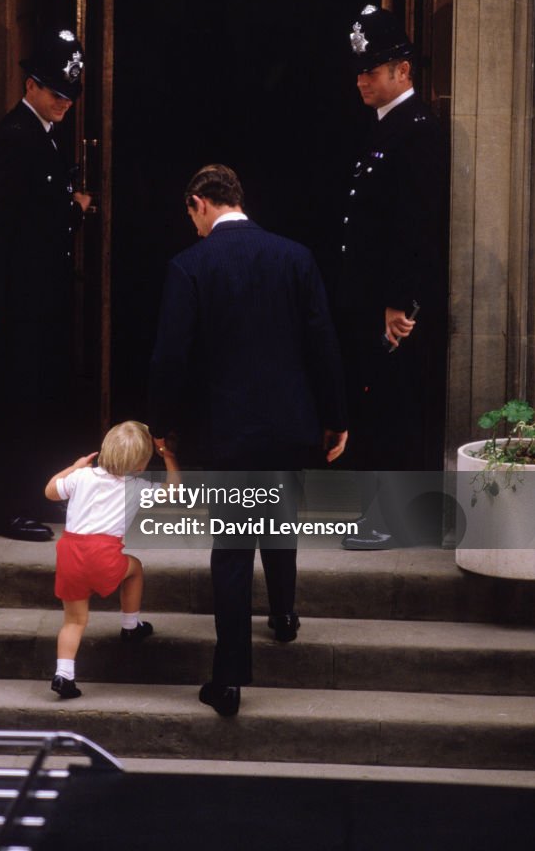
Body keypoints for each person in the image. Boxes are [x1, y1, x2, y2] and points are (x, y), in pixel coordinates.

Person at [148, 164, 348, 716]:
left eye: (189, 214)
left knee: (233, 550)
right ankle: (283, 616)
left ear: (199, 203)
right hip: (290, 425)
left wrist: (161, 424)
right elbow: (322, 343)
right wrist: (336, 417)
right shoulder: (295, 256)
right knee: (279, 520)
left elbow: (170, 357)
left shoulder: (189, 266)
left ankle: (229, 678)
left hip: (227, 430)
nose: (190, 225)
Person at [0, 27, 91, 541]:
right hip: (17, 298)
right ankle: (8, 508)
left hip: (45, 295)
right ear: (32, 84)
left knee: (43, 396)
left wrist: (74, 211)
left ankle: (40, 497)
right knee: (16, 400)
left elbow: (41, 214)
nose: (65, 103)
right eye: (57, 93)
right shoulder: (12, 136)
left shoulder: (48, 135)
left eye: (70, 95)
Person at [336, 5, 448, 550]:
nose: (363, 80)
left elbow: (415, 223)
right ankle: (378, 513)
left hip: (396, 303)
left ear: (402, 70)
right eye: (359, 70)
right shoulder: (388, 126)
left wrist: (398, 302)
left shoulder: (418, 128)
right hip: (373, 297)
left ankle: (396, 519)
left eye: (373, 71)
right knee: (376, 401)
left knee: (396, 403)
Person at [44, 420, 179, 699]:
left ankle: (63, 674)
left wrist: (76, 466)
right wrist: (168, 455)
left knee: (74, 621)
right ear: (141, 465)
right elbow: (175, 491)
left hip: (70, 555)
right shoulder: (137, 486)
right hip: (104, 555)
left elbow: (50, 490)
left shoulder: (82, 477)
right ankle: (130, 626)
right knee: (135, 568)